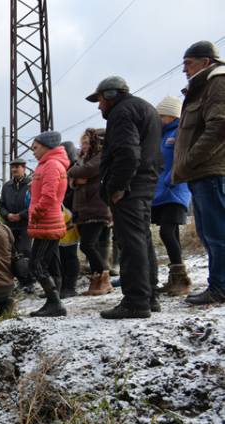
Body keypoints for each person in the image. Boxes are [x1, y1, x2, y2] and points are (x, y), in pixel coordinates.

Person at [86, 76, 163, 319]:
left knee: (131, 243)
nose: (99, 107)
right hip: (145, 182)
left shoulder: (121, 113)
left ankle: (135, 301)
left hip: (130, 187)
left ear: (110, 95)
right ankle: (149, 297)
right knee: (142, 240)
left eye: (99, 100)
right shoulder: (146, 108)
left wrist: (117, 187)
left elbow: (128, 153)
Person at [171, 41, 225, 305]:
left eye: (188, 63)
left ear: (205, 62)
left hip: (209, 171)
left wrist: (191, 160)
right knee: (208, 233)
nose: (184, 69)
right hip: (200, 173)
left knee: (217, 233)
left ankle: (220, 287)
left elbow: (219, 127)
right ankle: (218, 285)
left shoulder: (217, 82)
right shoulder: (200, 87)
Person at [153, 96, 192, 296]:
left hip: (176, 189)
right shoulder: (160, 135)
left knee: (167, 232)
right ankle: (174, 278)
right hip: (161, 192)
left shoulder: (180, 133)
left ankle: (182, 279)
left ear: (172, 115)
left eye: (162, 115)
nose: (158, 119)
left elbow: (180, 158)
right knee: (171, 232)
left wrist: (170, 179)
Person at [28, 130, 69, 317]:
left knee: (36, 264)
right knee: (50, 264)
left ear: (46, 146)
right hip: (48, 221)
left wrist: (35, 215)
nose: (33, 152)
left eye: (35, 148)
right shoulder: (49, 164)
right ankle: (52, 301)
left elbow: (49, 196)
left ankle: (55, 303)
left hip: (47, 223)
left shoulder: (51, 164)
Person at [68, 128, 114, 296]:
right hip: (86, 209)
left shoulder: (100, 156)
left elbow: (84, 172)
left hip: (97, 207)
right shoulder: (86, 159)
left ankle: (103, 279)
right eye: (82, 144)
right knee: (89, 245)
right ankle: (97, 281)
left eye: (87, 143)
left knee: (87, 245)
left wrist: (72, 173)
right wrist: (74, 179)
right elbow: (75, 177)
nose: (84, 147)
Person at [0, 158, 36, 293]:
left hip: (25, 223)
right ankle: (21, 279)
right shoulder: (7, 186)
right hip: (10, 225)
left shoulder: (31, 184)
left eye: (17, 167)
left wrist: (21, 215)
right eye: (13, 167)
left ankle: (31, 280)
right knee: (13, 253)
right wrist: (7, 215)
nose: (14, 169)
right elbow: (0, 204)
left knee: (26, 250)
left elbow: (34, 203)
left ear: (24, 168)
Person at [58, 141, 81, 298]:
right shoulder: (61, 170)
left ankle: (71, 286)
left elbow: (74, 192)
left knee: (70, 253)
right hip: (60, 214)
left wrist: (61, 200)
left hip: (71, 214)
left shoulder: (76, 170)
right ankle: (62, 286)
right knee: (60, 252)